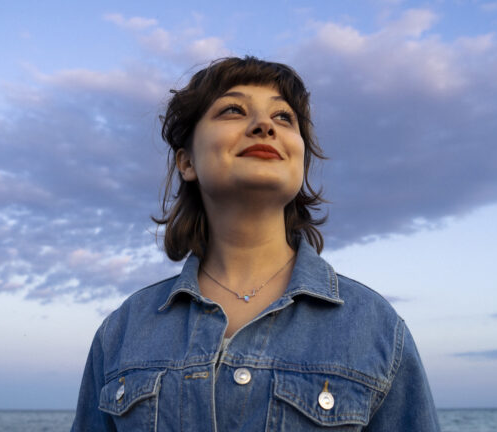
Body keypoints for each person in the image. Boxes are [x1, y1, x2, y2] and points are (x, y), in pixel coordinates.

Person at [71, 56, 440, 431]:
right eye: (233, 110)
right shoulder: (123, 331)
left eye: (284, 117)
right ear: (186, 163)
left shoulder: (375, 328)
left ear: (300, 160)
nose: (264, 124)